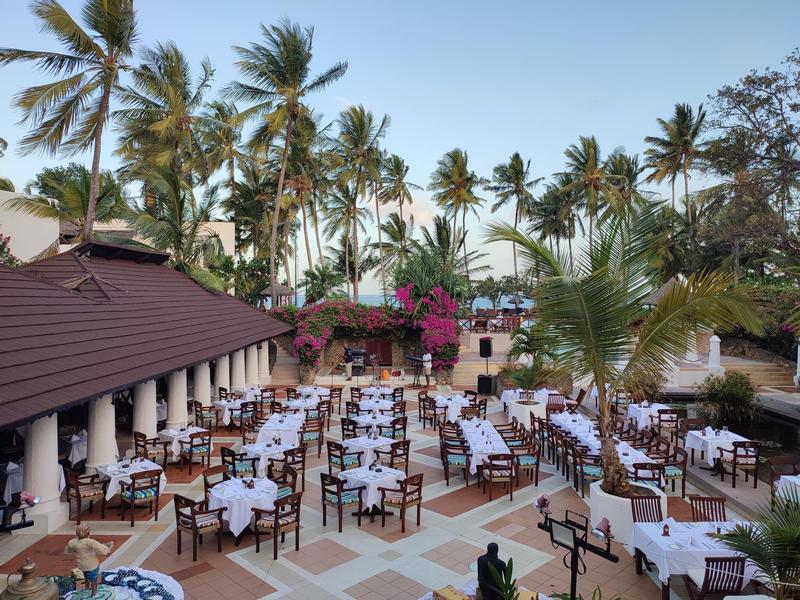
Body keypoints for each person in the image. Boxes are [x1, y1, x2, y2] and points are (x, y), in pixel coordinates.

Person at [64, 524, 113, 596]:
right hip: (92, 565)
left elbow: (67, 552)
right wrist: (108, 549)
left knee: (85, 577)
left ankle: (86, 589)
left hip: (81, 565)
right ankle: (94, 593)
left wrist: (75, 550)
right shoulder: (91, 542)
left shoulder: (73, 542)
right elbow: (101, 550)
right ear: (88, 533)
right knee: (94, 580)